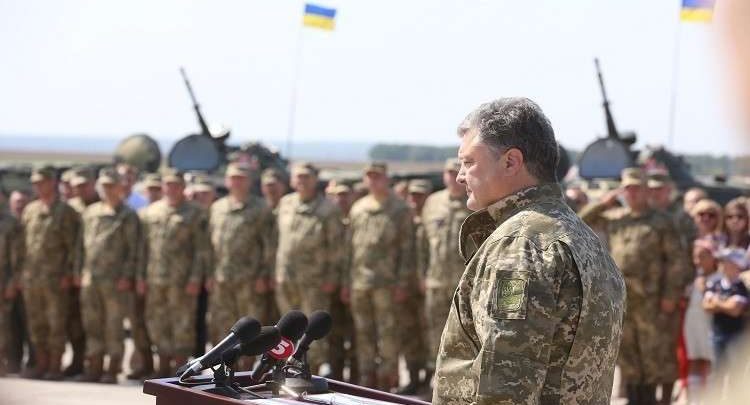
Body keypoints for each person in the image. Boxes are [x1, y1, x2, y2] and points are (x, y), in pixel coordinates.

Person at [434, 98, 625, 404]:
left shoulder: (520, 245)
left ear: (511, 162)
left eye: (469, 162)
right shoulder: (582, 236)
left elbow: (505, 386)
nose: (460, 175)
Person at [581, 167, 685, 404]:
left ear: (647, 190)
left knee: (651, 356)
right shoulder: (616, 218)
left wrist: (670, 295)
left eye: (637, 188)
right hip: (622, 298)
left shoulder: (662, 222)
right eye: (628, 188)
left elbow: (676, 261)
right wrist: (603, 203)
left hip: (651, 300)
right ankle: (634, 399)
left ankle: (649, 400)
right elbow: (579, 221)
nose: (633, 193)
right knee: (627, 356)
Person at [346, 161, 414, 390]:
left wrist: (402, 282)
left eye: (377, 176)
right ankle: (367, 377)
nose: (373, 181)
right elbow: (349, 249)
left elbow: (407, 249)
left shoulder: (400, 209)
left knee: (388, 333)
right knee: (363, 332)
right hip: (359, 282)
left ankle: (387, 379)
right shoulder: (358, 208)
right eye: (369, 177)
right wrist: (346, 282)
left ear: (386, 179)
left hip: (387, 284)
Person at [139, 168, 210, 377]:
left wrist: (196, 278)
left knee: (183, 324)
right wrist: (140, 277)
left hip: (183, 280)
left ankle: (179, 369)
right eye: (168, 185)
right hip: (155, 279)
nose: (171, 189)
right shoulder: (150, 212)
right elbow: (143, 248)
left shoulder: (196, 213)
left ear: (183, 188)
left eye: (176, 185)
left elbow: (201, 249)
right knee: (157, 322)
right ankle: (162, 367)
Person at [275, 162, 345, 374]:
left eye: (307, 177)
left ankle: (309, 372)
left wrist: (332, 277)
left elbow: (337, 246)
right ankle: (284, 372)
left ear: (315, 180)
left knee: (310, 332)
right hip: (286, 278)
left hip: (315, 280)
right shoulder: (286, 203)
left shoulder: (328, 209)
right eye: (298, 176)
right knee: (286, 329)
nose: (302, 181)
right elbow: (278, 240)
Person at [76, 168, 139, 384]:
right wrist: (78, 271)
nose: (107, 190)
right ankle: (94, 366)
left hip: (115, 281)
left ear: (120, 187)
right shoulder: (91, 212)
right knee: (92, 323)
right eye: (103, 186)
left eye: (111, 185)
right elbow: (80, 246)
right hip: (90, 278)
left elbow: (133, 249)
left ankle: (112, 368)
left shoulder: (127, 215)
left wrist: (127, 275)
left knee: (113, 325)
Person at [207, 163, 274, 366]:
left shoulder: (261, 208)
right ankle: (225, 370)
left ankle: (246, 371)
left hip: (250, 280)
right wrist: (209, 274)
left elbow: (269, 245)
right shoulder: (217, 208)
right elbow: (210, 245)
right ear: (227, 181)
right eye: (233, 178)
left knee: (249, 329)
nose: (237, 182)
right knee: (223, 326)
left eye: (241, 178)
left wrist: (263, 274)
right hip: (222, 278)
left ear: (250, 181)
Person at [20, 166, 81, 380]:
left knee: (56, 323)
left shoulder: (65, 211)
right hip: (32, 278)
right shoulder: (31, 210)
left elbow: (73, 246)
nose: (38, 186)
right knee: (36, 323)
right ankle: (41, 363)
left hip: (56, 278)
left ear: (53, 182)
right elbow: (23, 245)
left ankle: (55, 365)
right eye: (35, 183)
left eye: (42, 182)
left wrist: (69, 273)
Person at [421, 157, 470, 388]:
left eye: (457, 172)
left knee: (463, 333)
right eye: (449, 173)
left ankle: (460, 379)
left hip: (463, 283)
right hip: (436, 280)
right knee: (435, 330)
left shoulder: (475, 202)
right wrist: (421, 274)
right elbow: (422, 243)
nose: (453, 178)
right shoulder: (433, 203)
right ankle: (436, 376)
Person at [647, 171, 695, 403]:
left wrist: (674, 293)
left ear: (669, 190)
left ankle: (666, 398)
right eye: (651, 189)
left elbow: (686, 258)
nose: (655, 193)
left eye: (659, 189)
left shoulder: (682, 219)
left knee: (668, 350)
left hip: (671, 294)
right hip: (647, 294)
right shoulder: (647, 215)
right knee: (648, 349)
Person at [396, 179, 432, 395]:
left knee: (428, 334)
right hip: (406, 287)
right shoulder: (404, 220)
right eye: (412, 195)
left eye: (419, 195)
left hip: (426, 288)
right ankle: (412, 377)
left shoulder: (432, 220)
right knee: (408, 334)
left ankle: (428, 379)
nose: (415, 199)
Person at [326, 183, 358, 382]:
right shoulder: (327, 218)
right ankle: (336, 375)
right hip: (330, 286)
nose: (341, 199)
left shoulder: (356, 217)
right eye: (336, 195)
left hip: (352, 284)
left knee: (355, 334)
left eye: (345, 195)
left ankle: (355, 377)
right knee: (333, 334)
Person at [703, 248, 749, 386]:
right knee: (717, 372)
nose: (724, 265)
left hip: (736, 336)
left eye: (728, 262)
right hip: (717, 335)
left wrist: (717, 302)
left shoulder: (741, 286)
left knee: (735, 373)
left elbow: (735, 310)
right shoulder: (715, 283)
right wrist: (726, 304)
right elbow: (706, 306)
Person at [683, 240, 717, 403]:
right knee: (695, 359)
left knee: (710, 361)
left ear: (712, 257)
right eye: (695, 257)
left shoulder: (718, 278)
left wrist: (704, 288)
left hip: (709, 323)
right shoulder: (695, 277)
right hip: (692, 322)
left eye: (702, 257)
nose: (698, 261)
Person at [0, 200, 24, 376]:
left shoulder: (10, 223)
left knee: (4, 325)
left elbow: (16, 257)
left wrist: (12, 282)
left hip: (3, 280)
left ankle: (4, 362)